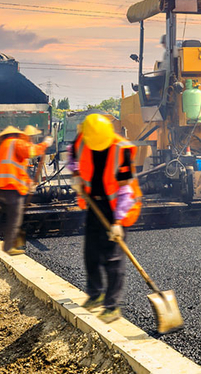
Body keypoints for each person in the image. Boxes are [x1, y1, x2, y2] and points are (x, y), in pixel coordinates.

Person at [72, 114, 142, 324]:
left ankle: (112, 307)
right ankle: (96, 294)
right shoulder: (82, 141)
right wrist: (76, 176)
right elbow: (74, 159)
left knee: (113, 257)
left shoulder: (121, 150)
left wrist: (118, 222)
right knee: (91, 252)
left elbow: (125, 191)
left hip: (118, 204)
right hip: (94, 201)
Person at [0, 125, 53, 254]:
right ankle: (9, 246)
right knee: (14, 217)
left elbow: (17, 170)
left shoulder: (4, 147)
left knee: (4, 217)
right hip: (12, 187)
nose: (32, 140)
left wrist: (28, 183)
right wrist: (45, 144)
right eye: (32, 138)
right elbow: (32, 152)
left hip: (1, 187)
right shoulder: (17, 143)